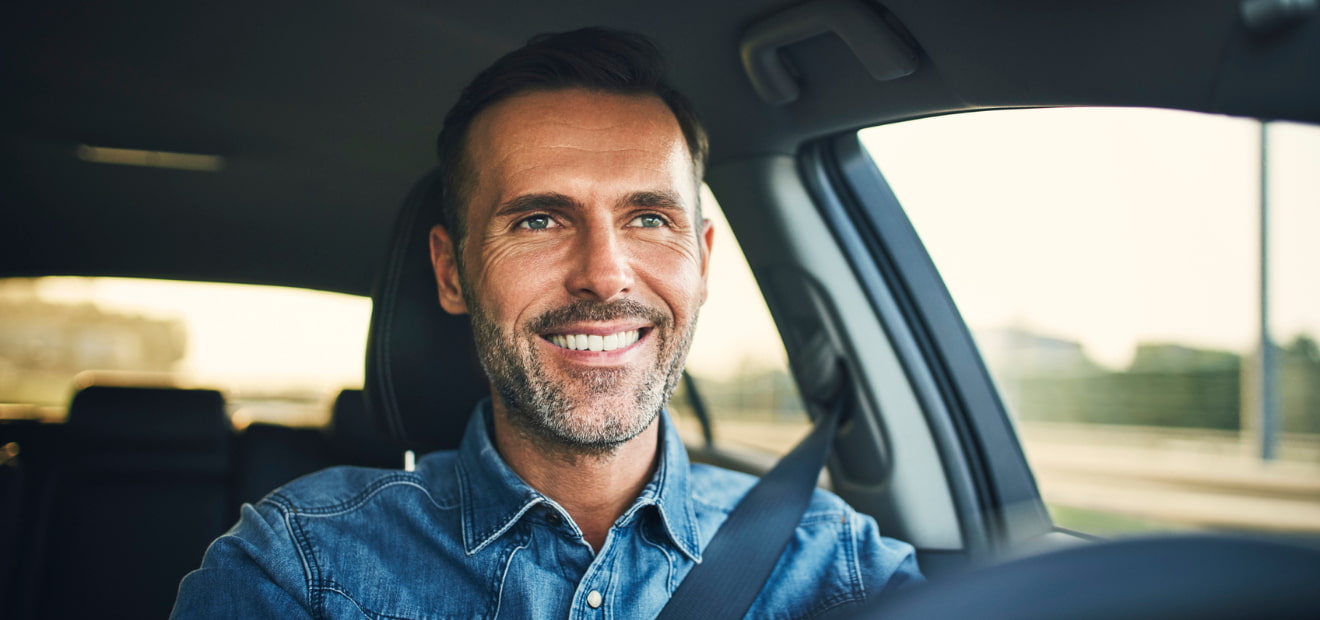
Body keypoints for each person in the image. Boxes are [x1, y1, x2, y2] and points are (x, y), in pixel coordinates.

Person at [171, 27, 921, 619]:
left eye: (650, 218)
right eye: (537, 219)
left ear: (702, 262)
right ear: (452, 273)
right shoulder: (298, 570)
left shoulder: (839, 568)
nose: (604, 272)